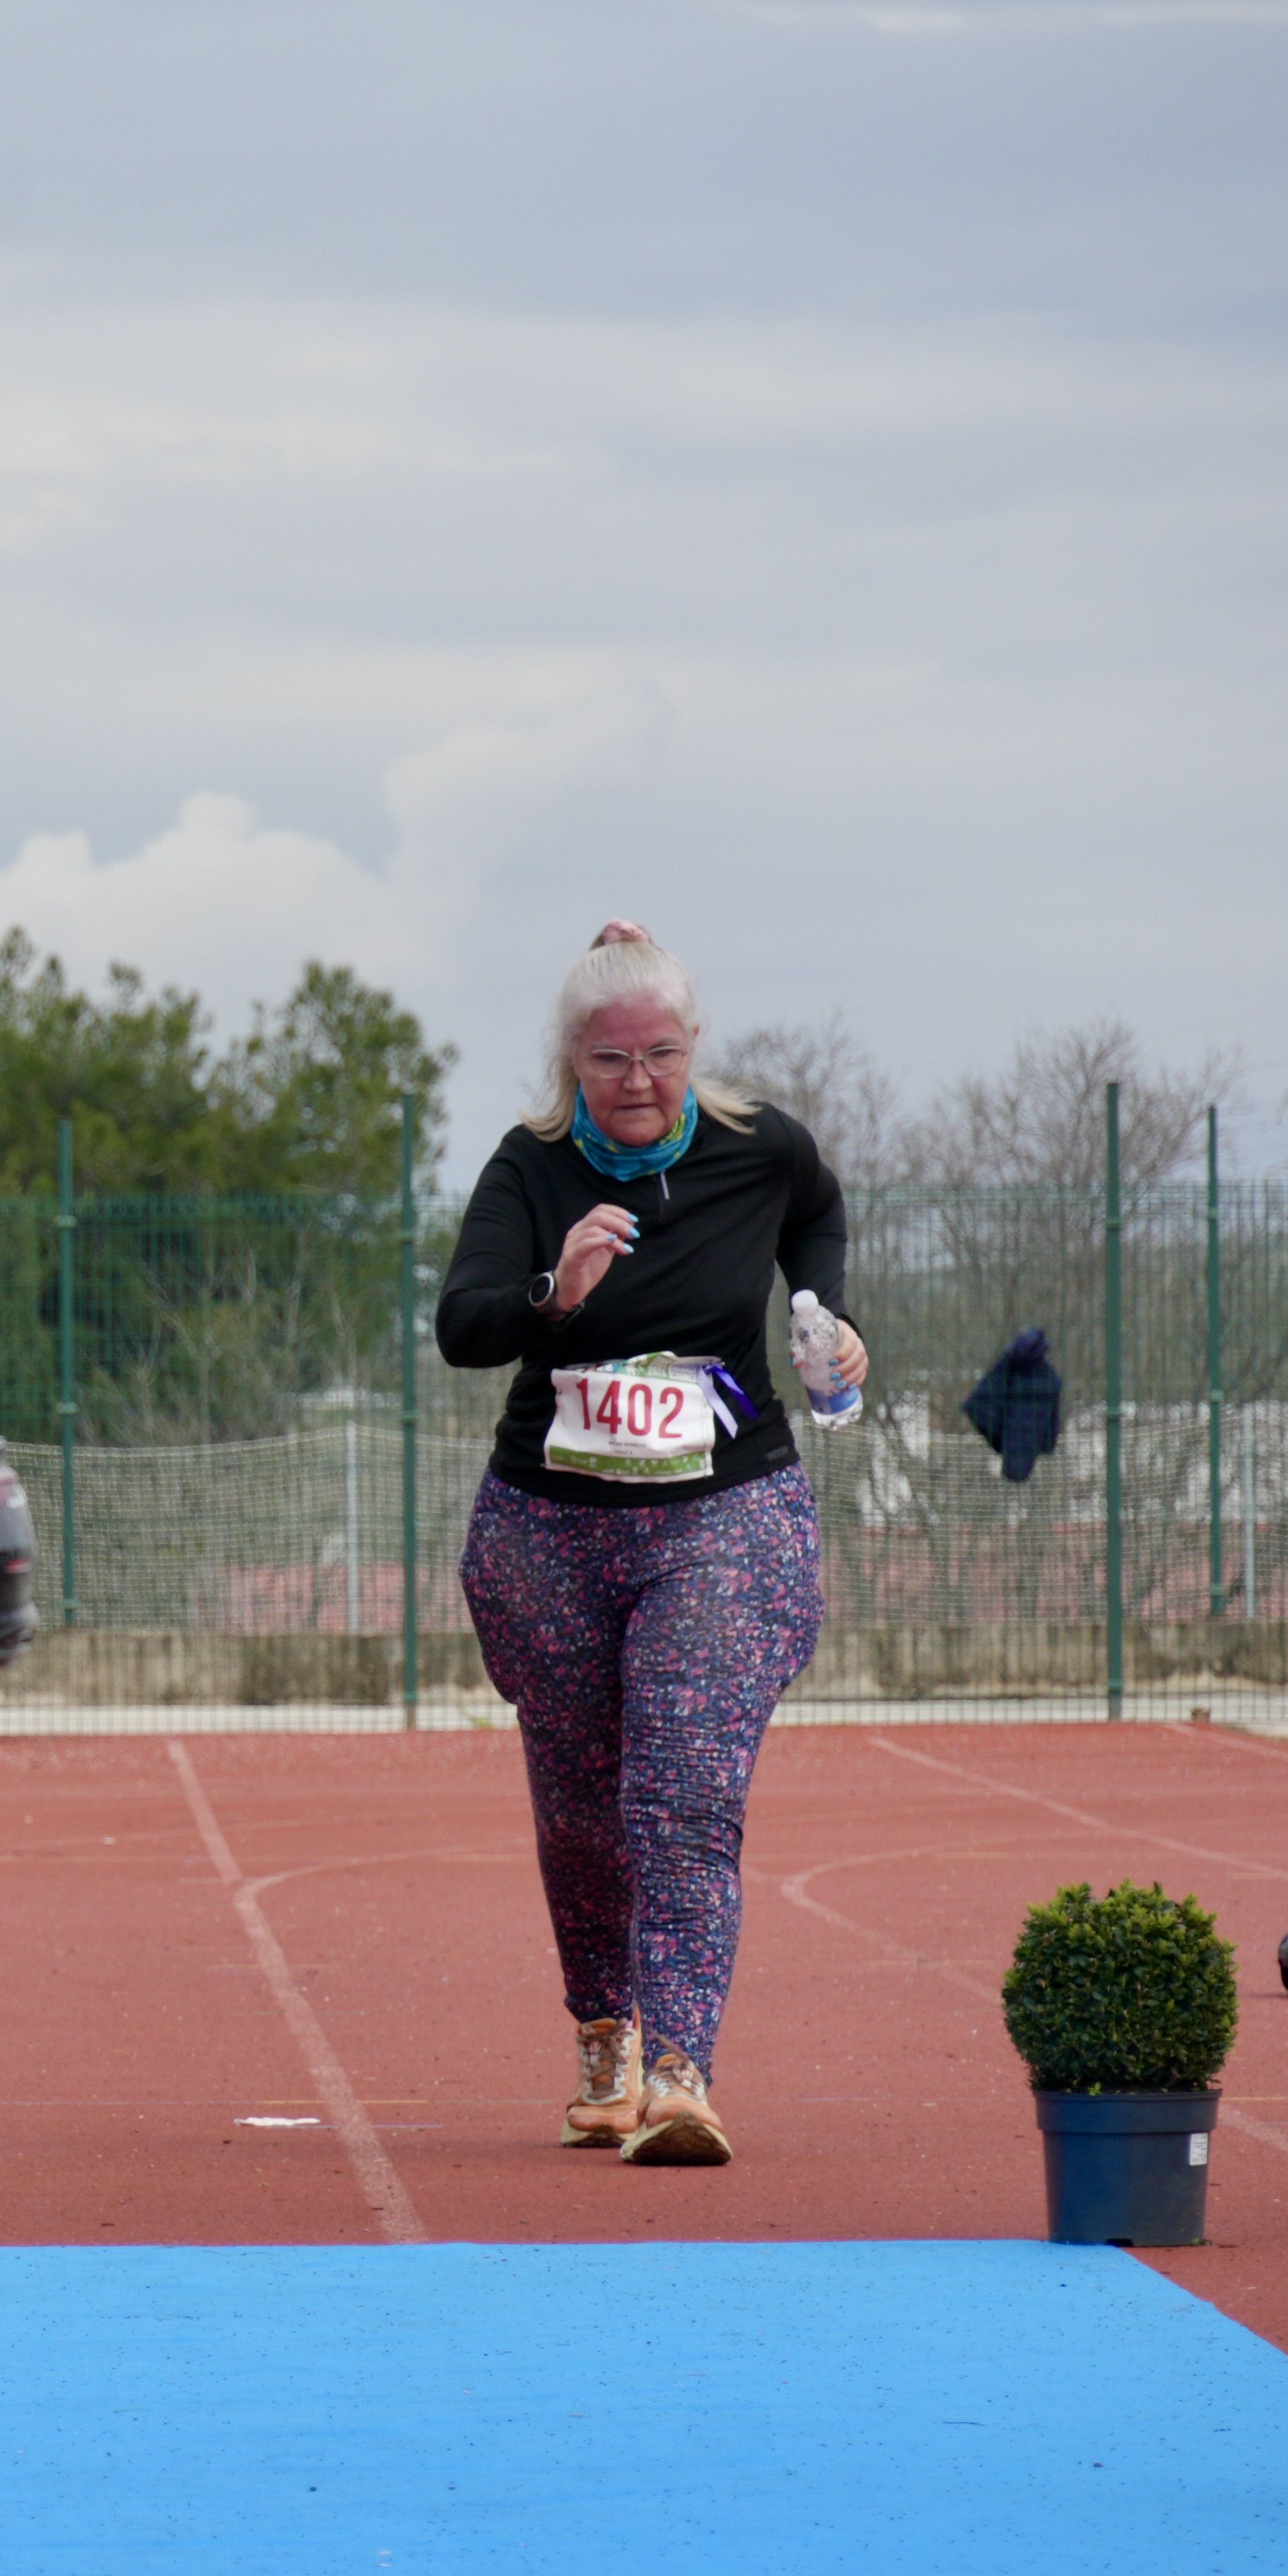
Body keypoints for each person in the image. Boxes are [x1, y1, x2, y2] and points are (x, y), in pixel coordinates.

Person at [433, 920, 861, 2169]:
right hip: (548, 1530)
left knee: (678, 1788)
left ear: (694, 1048)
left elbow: (817, 1211)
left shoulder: (756, 1146)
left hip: (722, 1515)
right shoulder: (531, 1165)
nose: (637, 1080)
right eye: (609, 1058)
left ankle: (682, 2070)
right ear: (571, 1061)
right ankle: (603, 2032)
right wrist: (550, 1292)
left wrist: (823, 1314)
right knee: (579, 1808)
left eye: (660, 1052)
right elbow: (461, 1322)